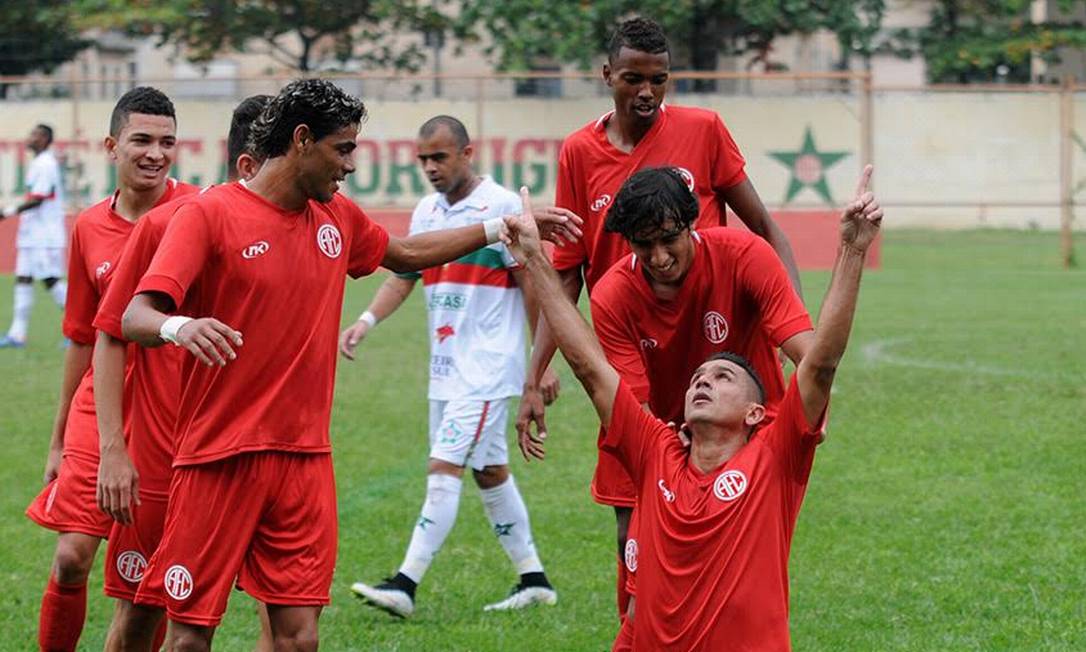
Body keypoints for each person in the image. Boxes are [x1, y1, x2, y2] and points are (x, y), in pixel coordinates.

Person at [119, 79, 579, 652]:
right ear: (303, 140)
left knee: (299, 639)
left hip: (305, 461)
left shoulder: (334, 216)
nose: (352, 165)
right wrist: (180, 326)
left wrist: (498, 229)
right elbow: (135, 315)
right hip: (219, 456)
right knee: (189, 637)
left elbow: (405, 254)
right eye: (342, 149)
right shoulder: (209, 214)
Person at [502, 165, 882, 650]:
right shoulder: (656, 444)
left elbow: (818, 362)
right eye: (643, 246)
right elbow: (593, 370)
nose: (658, 258)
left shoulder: (770, 458)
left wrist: (851, 250)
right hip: (666, 449)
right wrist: (534, 259)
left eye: (722, 377)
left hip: (743, 446)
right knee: (636, 587)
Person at [516, 16, 804, 617]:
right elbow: (566, 269)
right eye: (633, 79)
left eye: (659, 80)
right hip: (631, 355)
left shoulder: (703, 131)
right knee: (634, 538)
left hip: (720, 366)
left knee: (736, 535)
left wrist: (787, 328)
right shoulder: (579, 153)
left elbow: (767, 231)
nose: (646, 92)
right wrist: (534, 370)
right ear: (607, 77)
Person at [341, 115, 557, 618]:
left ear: (467, 152)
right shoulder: (426, 212)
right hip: (445, 372)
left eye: (439, 157)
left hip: (485, 370)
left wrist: (538, 365)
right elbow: (405, 273)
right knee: (490, 473)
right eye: (423, 159)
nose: (430, 167)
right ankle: (534, 579)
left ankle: (404, 584)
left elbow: (532, 285)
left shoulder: (502, 206)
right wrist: (366, 321)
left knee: (444, 468)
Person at [92, 95, 274, 652]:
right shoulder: (175, 224)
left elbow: (397, 253)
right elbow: (110, 334)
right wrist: (113, 450)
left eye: (165, 141)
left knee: (288, 620)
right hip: (161, 456)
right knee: (143, 613)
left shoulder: (316, 225)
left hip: (258, 455)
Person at [24, 87, 196, 652]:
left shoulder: (198, 212)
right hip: (97, 413)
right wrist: (56, 442)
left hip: (169, 417)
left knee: (144, 586)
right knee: (72, 557)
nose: (155, 153)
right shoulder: (89, 228)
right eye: (142, 140)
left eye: (167, 142)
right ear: (111, 146)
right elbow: (80, 338)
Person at [0, 123, 68, 348]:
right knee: (23, 279)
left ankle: (80, 328)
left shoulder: (46, 164)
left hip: (44, 235)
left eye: (35, 135)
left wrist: (8, 211)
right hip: (31, 235)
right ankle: (17, 334)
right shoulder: (38, 163)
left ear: (46, 139)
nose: (30, 138)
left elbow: (39, 198)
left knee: (50, 280)